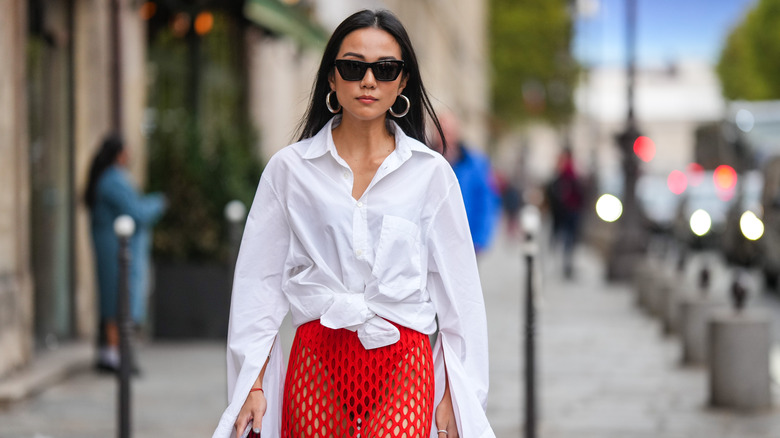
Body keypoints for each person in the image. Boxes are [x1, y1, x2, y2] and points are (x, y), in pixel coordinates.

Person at [212, 9, 494, 438]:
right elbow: (259, 285)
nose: (368, 81)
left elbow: (461, 299)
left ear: (402, 82)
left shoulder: (432, 174)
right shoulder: (289, 170)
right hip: (318, 362)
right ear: (331, 77)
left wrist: (459, 393)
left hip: (404, 365)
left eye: (385, 69)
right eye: (352, 67)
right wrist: (251, 384)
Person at [85, 134, 167, 372]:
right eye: (126, 151)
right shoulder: (112, 180)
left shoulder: (108, 178)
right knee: (119, 300)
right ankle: (115, 357)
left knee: (115, 300)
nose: (129, 156)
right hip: (116, 252)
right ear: (118, 154)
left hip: (111, 250)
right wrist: (159, 202)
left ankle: (112, 354)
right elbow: (137, 212)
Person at [432, 112, 500, 254]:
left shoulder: (476, 163)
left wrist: (480, 239)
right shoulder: (425, 161)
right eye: (440, 130)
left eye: (448, 131)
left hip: (465, 240)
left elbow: (487, 202)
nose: (444, 135)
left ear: (457, 132)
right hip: (433, 241)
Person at [546, 148, 584, 278]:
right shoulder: (567, 175)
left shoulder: (568, 175)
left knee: (566, 240)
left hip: (568, 213)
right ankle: (565, 265)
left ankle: (566, 265)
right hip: (565, 213)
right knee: (566, 240)